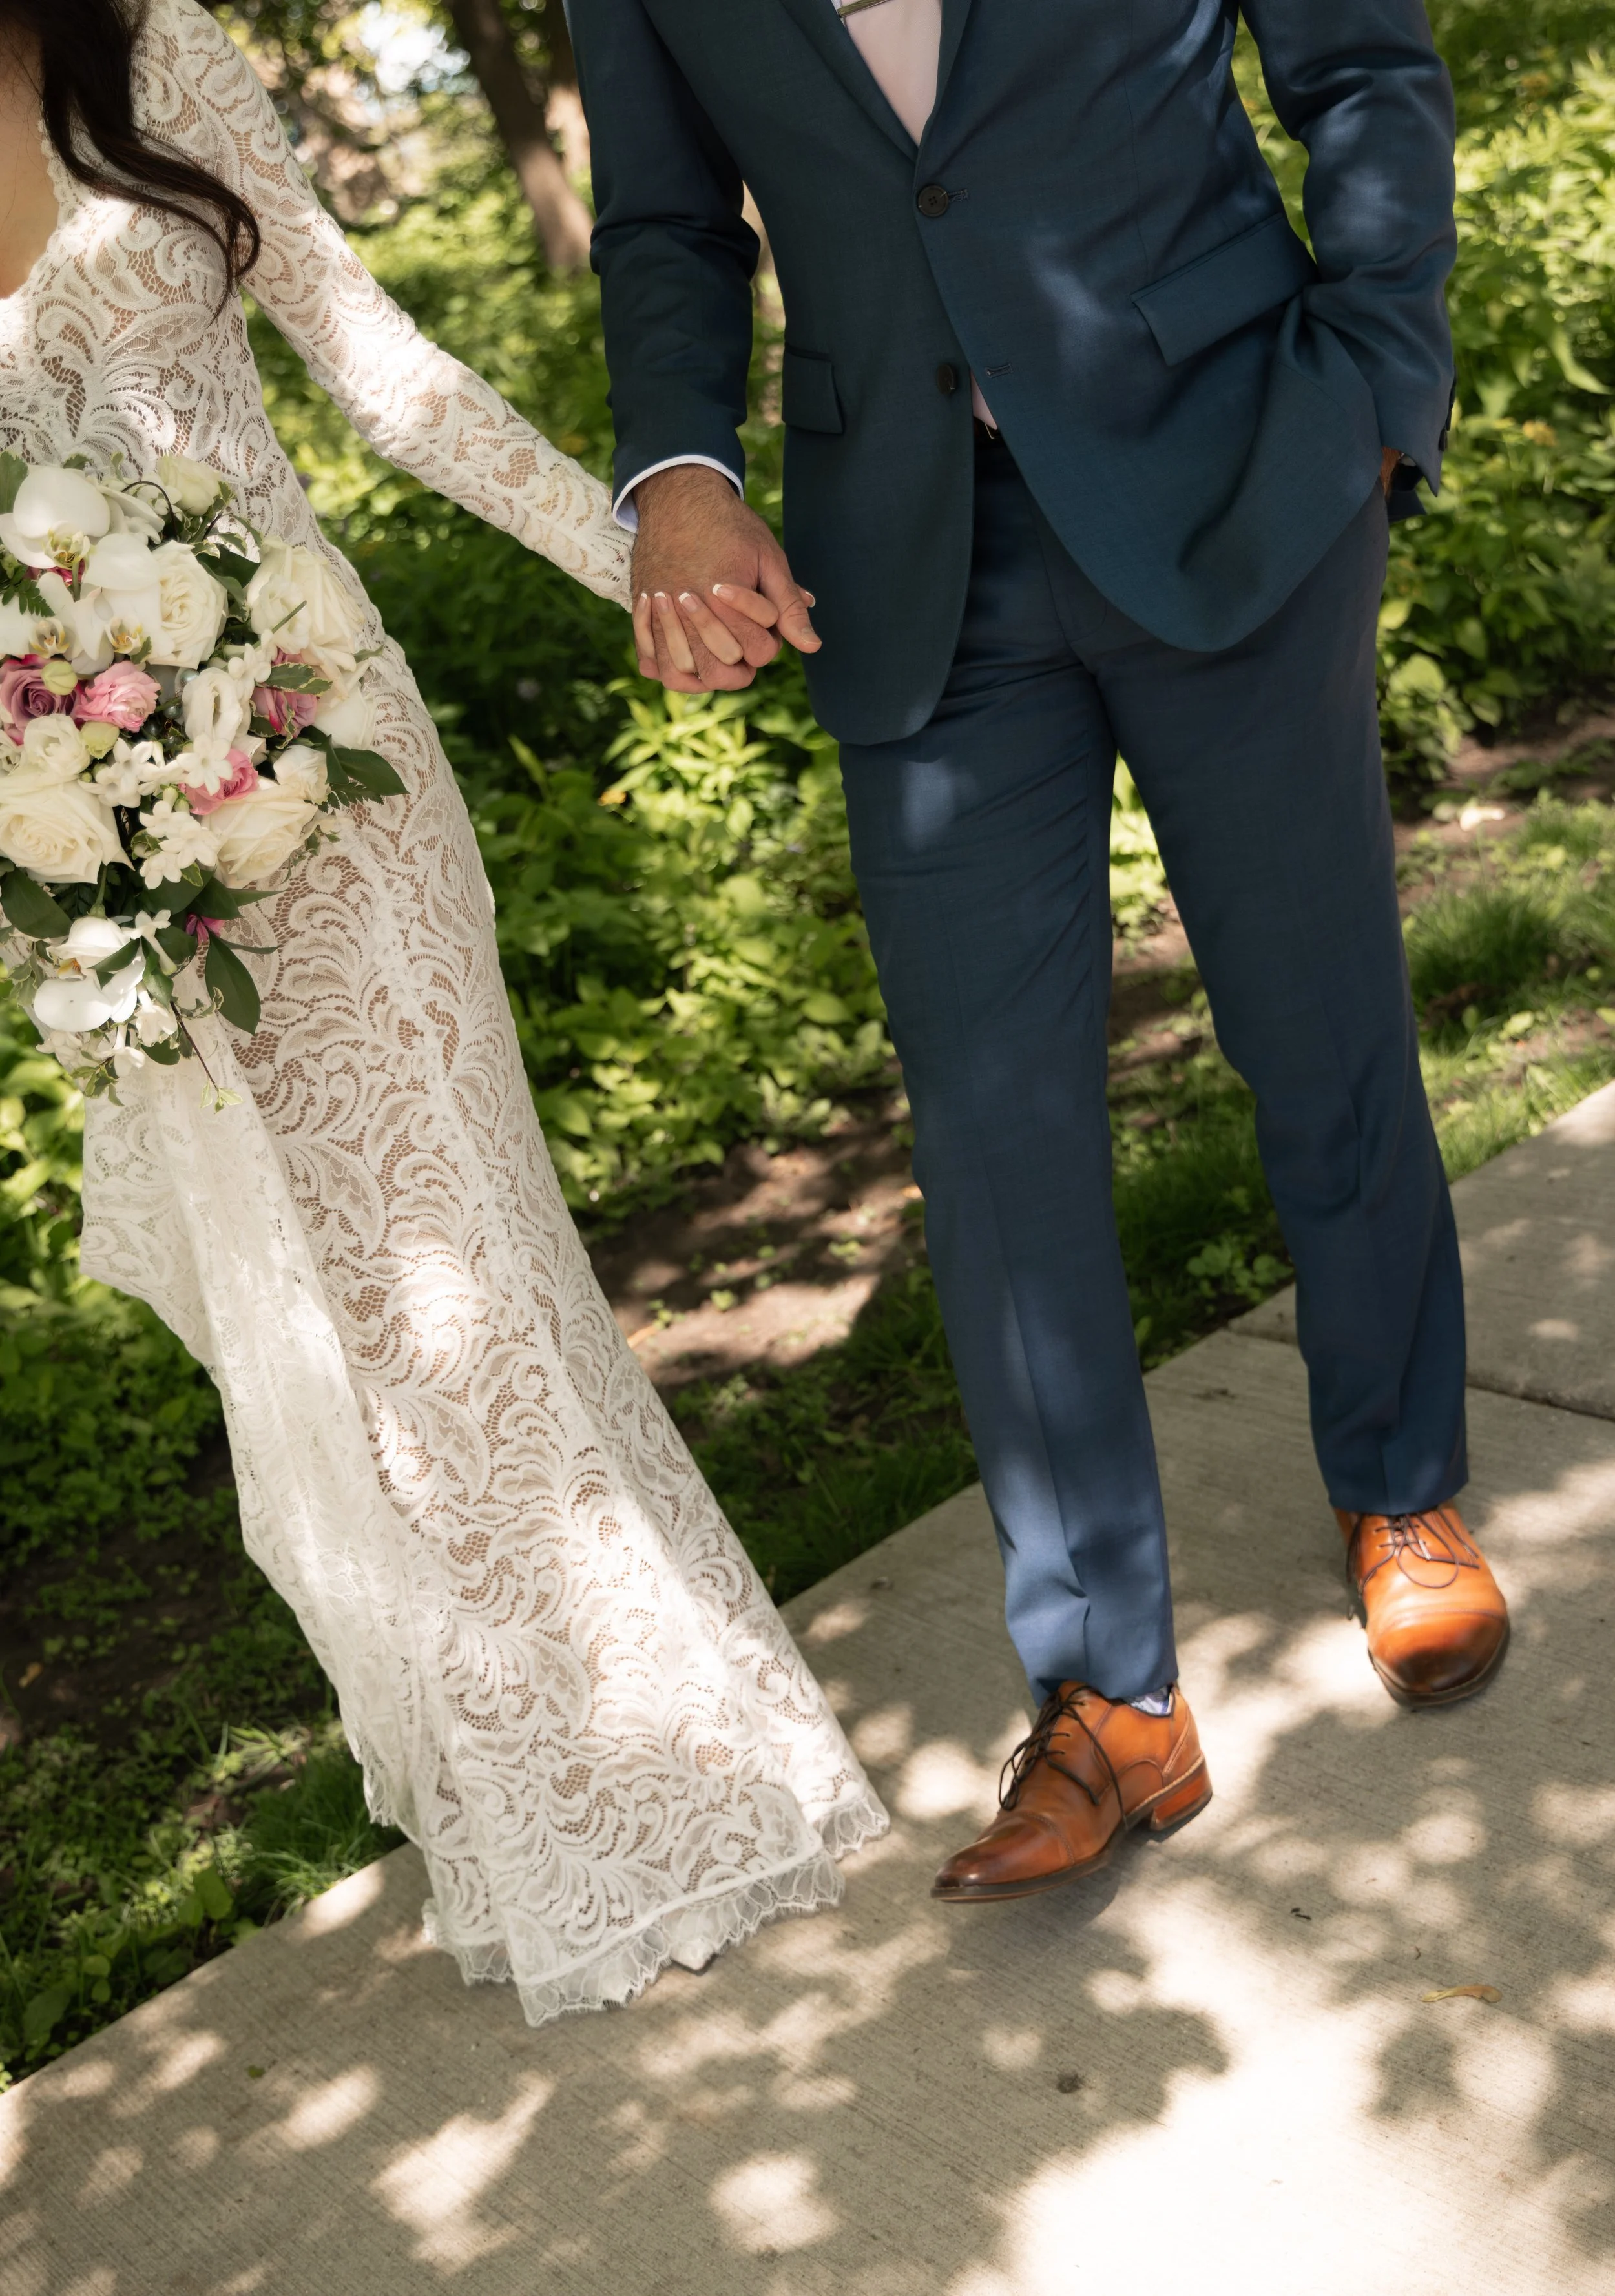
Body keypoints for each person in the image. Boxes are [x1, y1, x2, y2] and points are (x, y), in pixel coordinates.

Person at [567, 0, 1511, 1905]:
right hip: (902, 557)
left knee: (1312, 1021)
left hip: (1242, 477)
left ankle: (1398, 1487)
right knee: (991, 1132)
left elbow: (1359, 70)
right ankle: (1105, 1695)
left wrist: (1380, 379)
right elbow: (669, 223)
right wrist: (677, 471)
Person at [0, 0, 885, 2022]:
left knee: (472, 1260)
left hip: (332, 768)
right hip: (104, 856)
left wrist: (644, 560)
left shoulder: (159, 61)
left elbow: (383, 377)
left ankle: (685, 1787)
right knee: (324, 1334)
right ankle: (525, 1822)